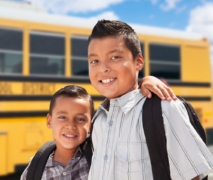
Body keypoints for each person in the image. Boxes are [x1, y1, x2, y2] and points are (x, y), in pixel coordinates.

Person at [87, 20, 213, 180]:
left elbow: (191, 176)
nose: (102, 68)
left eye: (115, 57)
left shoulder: (164, 109)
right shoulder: (99, 120)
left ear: (138, 62)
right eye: (94, 61)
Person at [21, 78, 176, 180]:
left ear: (91, 125)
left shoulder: (100, 156)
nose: (71, 125)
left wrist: (146, 81)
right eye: (62, 117)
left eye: (81, 119)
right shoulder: (35, 168)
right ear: (49, 121)